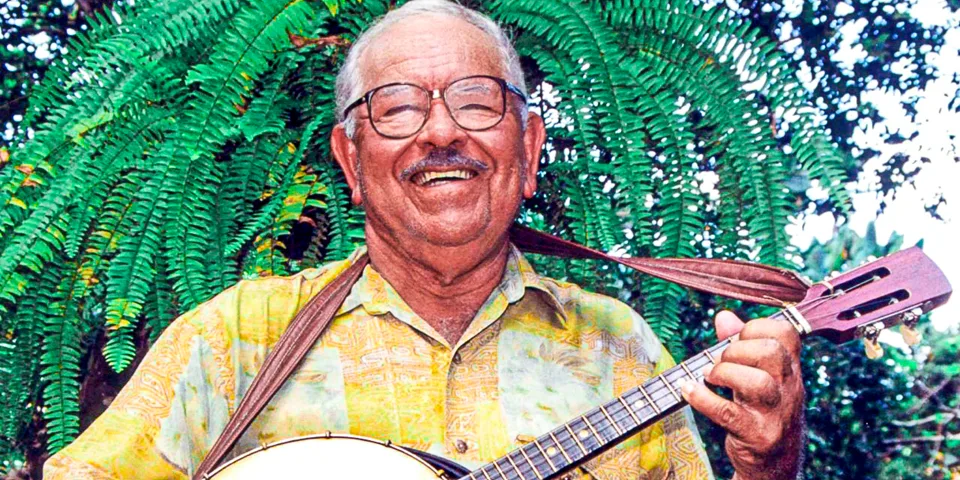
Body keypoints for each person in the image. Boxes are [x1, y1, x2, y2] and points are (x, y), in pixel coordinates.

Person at [43, 1, 805, 478]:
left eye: (477, 101)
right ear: (349, 160)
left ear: (531, 150)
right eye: (399, 107)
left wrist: (769, 466)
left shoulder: (621, 351)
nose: (441, 131)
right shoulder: (235, 338)